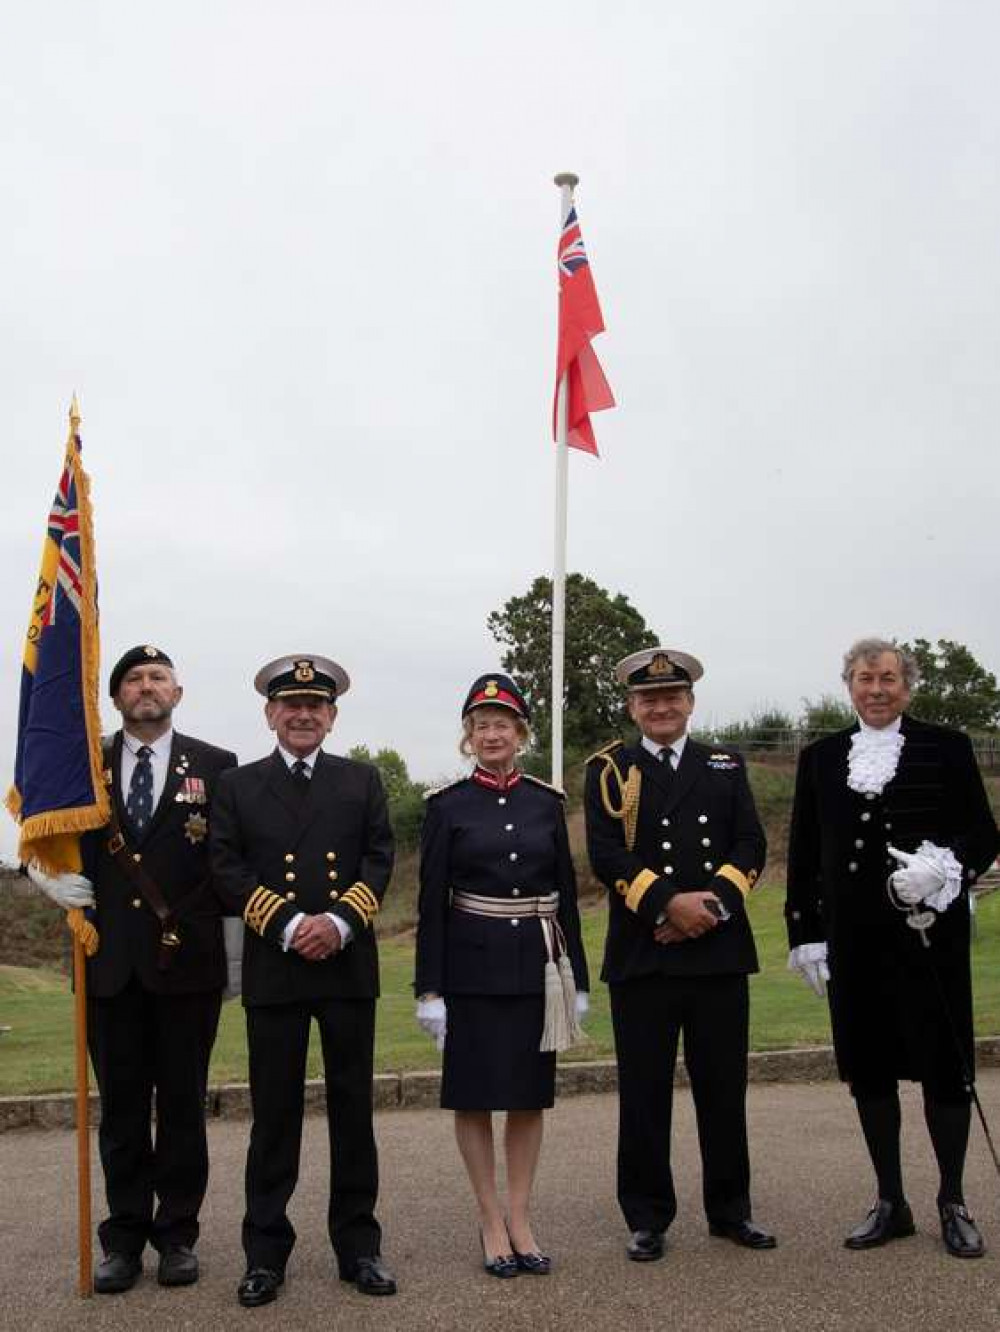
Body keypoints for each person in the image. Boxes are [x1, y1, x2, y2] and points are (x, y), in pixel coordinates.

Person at [27, 644, 237, 1294]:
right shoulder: (83, 766)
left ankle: (176, 1236)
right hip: (108, 963)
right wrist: (43, 876)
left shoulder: (218, 766)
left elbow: (227, 865)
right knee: (120, 1112)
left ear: (178, 692)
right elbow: (50, 832)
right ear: (115, 697)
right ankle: (121, 1240)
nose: (146, 687)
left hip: (187, 967)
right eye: (133, 680)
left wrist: (234, 964)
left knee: (181, 1108)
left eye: (157, 678)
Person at [786, 637, 999, 1258]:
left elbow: (983, 831)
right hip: (854, 943)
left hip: (927, 936)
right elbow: (804, 853)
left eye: (887, 679)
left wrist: (945, 867)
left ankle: (953, 1199)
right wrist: (805, 932)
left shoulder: (947, 747)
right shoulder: (821, 757)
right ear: (847, 685)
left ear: (907, 686)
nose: (875, 690)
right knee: (869, 1068)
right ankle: (890, 1201)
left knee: (944, 1068)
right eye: (863, 678)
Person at [210, 654, 396, 1307]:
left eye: (315, 706)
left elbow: (379, 860)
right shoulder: (237, 785)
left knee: (353, 1114)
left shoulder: (362, 780)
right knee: (275, 1118)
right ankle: (265, 1254)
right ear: (270, 714)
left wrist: (340, 922)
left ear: (332, 716)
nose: (303, 714)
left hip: (347, 966)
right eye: (291, 705)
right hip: (277, 966)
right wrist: (291, 925)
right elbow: (226, 868)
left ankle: (359, 1248)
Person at [583, 646, 774, 1261]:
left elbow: (750, 845)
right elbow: (606, 855)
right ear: (633, 706)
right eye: (648, 698)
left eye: (672, 696)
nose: (661, 707)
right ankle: (647, 1216)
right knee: (643, 1093)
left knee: (724, 1089)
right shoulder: (609, 769)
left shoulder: (724, 765)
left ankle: (730, 1211)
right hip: (646, 955)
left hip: (717, 953)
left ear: (689, 703)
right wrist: (669, 905)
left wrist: (709, 909)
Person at [414, 673, 589, 1277]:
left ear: (520, 733)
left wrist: (579, 982)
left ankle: (521, 1218)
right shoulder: (447, 806)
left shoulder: (547, 802)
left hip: (536, 970)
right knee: (474, 1097)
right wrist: (429, 990)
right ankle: (489, 1221)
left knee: (525, 1098)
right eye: (481, 725)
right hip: (470, 972)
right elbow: (431, 902)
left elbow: (565, 895)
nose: (492, 734)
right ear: (469, 736)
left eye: (503, 724)